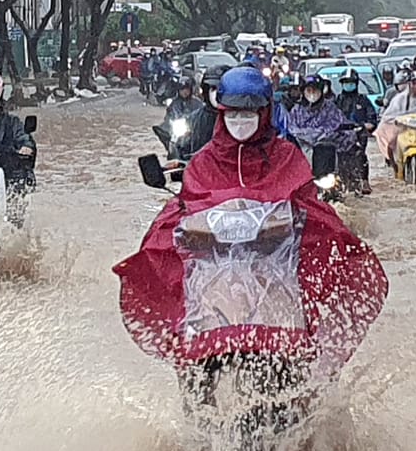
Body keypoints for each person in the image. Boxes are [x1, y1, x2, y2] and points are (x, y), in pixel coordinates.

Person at [114, 65, 387, 366]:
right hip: (212, 287)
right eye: (233, 113)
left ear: (265, 112)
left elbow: (308, 204)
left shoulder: (287, 156)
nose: (240, 120)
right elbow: (186, 205)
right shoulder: (202, 162)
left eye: (249, 113)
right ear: (221, 112)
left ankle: (309, 371)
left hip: (277, 282)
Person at [158, 71, 214, 163]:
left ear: (191, 90)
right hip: (178, 132)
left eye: (186, 89)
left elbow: (203, 117)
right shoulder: (173, 104)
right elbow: (168, 118)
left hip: (194, 132)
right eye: (182, 89)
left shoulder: (198, 103)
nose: (184, 92)